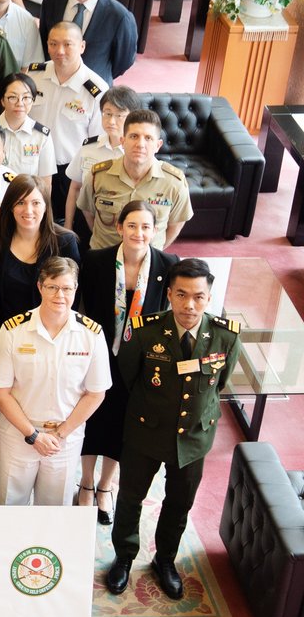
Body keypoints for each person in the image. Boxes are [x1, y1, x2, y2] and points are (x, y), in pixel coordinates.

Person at [106, 258, 243, 599]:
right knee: (130, 498)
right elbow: (128, 376)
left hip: (193, 438)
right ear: (169, 294)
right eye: (181, 295)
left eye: (198, 296)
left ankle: (164, 560)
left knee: (179, 503)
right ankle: (124, 556)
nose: (189, 305)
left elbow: (219, 384)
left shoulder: (225, 337)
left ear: (209, 298)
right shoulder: (143, 330)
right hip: (145, 432)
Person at [0, 174, 82, 500]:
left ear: (46, 206)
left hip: (49, 343)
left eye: (36, 202)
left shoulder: (64, 242)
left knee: (41, 404)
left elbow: (73, 296)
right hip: (1, 343)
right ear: (10, 206)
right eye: (21, 202)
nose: (28, 209)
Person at [79, 200, 178, 526]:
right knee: (92, 421)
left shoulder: (167, 265)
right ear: (119, 227)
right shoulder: (95, 261)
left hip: (141, 363)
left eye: (146, 227)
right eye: (132, 225)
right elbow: (83, 312)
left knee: (123, 427)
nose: (139, 233)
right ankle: (86, 482)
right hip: (100, 355)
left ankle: (105, 486)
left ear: (155, 231)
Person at [0, 256, 109, 505]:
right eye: (52, 287)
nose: (60, 295)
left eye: (67, 288)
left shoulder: (92, 335)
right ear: (40, 287)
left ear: (76, 289)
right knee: (8, 506)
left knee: (54, 512)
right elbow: (0, 391)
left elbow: (96, 393)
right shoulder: (13, 331)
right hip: (17, 434)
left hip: (64, 438)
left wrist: (60, 434)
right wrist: (34, 436)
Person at [78, 109, 193, 250]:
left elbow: (176, 223)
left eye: (148, 138)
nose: (140, 144)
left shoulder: (174, 183)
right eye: (134, 136)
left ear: (158, 145)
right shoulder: (98, 176)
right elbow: (89, 213)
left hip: (148, 262)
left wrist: (152, 250)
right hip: (103, 259)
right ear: (122, 141)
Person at [26, 21, 106, 221]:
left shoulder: (96, 89)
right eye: (53, 44)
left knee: (61, 226)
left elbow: (97, 141)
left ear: (82, 46)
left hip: (67, 172)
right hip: (30, 162)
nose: (59, 51)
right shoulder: (34, 75)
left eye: (67, 44)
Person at [39, 0, 139, 87]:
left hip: (94, 92)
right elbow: (44, 43)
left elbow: (124, 61)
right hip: (54, 84)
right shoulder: (51, 3)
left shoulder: (120, 17)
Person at [65, 86, 141, 237]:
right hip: (86, 218)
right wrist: (68, 225)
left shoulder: (138, 151)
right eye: (107, 113)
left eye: (120, 115)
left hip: (126, 223)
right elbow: (75, 188)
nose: (111, 121)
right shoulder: (89, 147)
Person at [0, 73, 55, 192]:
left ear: (33, 101)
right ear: (2, 100)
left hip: (26, 201)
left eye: (26, 98)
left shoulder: (41, 136)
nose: (20, 103)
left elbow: (45, 183)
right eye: (13, 97)